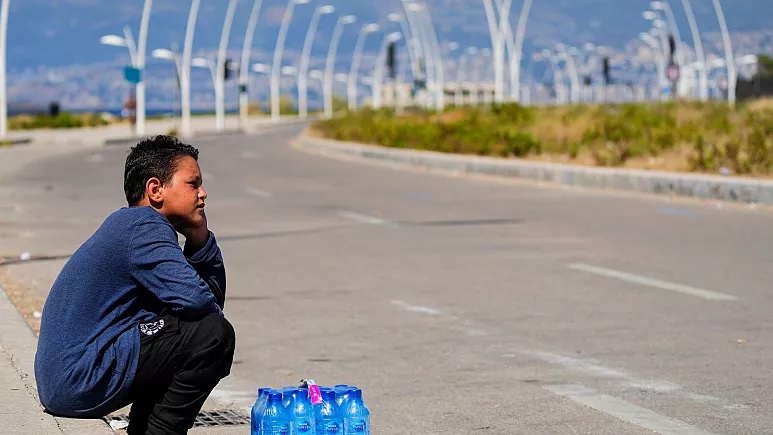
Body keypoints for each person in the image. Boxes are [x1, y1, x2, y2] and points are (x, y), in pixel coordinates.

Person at [34, 135, 236, 435]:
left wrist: (199, 239)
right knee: (214, 336)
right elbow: (202, 307)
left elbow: (207, 307)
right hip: (79, 378)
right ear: (155, 189)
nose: (203, 194)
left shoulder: (134, 226)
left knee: (200, 331)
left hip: (70, 380)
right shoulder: (143, 227)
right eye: (193, 184)